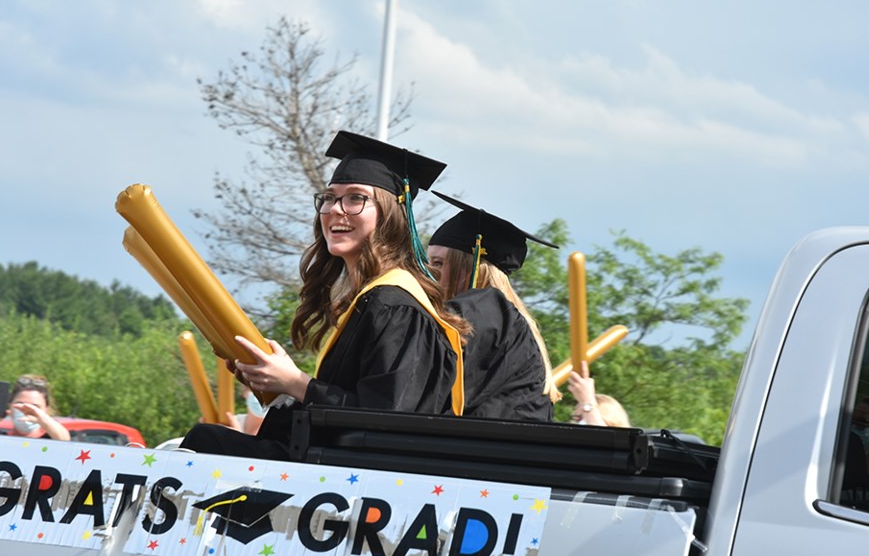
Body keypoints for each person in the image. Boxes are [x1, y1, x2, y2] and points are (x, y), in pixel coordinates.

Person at [180, 130, 469, 458]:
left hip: (358, 484)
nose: (335, 209)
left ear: (390, 213)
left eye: (356, 198)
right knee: (207, 442)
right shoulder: (371, 299)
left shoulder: (395, 305)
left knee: (206, 444)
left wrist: (295, 382)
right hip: (332, 465)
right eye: (329, 197)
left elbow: (386, 419)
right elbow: (346, 405)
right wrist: (276, 387)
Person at [426, 191, 560, 421]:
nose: (428, 273)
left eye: (438, 263)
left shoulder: (484, 314)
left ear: (472, 268)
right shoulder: (509, 320)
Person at [0, 374, 71, 441]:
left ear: (46, 409)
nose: (26, 410)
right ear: (10, 406)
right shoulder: (1, 439)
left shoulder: (50, 439)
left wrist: (42, 419)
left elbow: (65, 441)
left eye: (35, 406)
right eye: (20, 404)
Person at [565, 361, 631, 427]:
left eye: (588, 412)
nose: (579, 424)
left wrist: (587, 401)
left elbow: (602, 435)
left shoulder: (619, 437)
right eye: (577, 418)